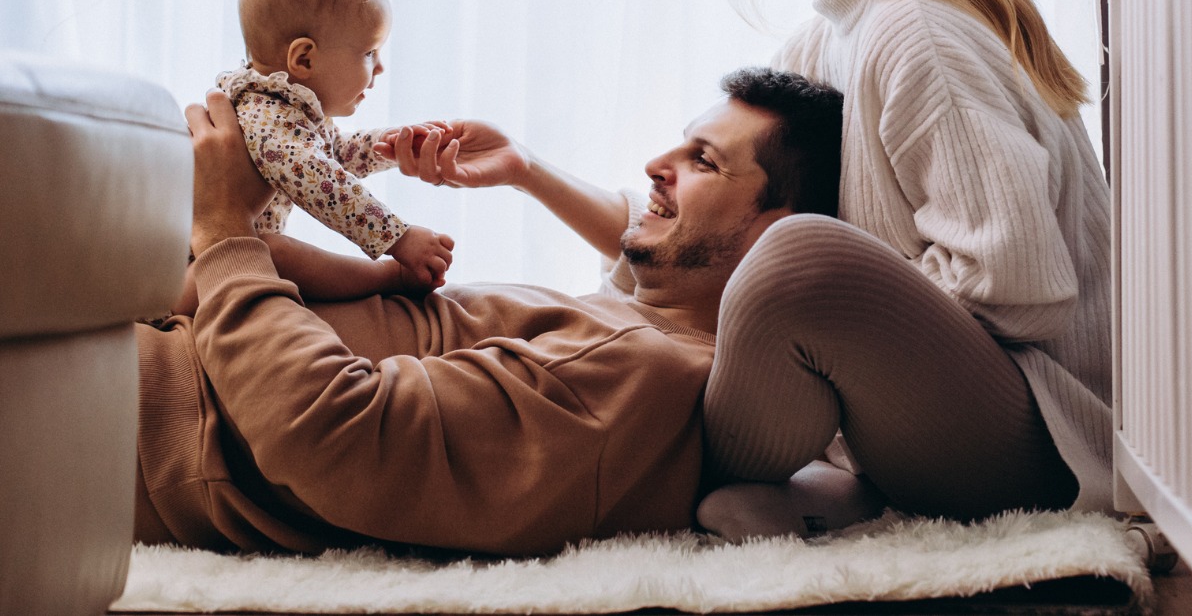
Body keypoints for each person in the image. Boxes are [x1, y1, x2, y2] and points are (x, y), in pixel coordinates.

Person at [135, 67, 844, 557]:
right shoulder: (622, 325)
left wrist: (227, 232)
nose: (657, 163)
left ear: (773, 230)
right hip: (153, 339)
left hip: (143, 410)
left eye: (705, 162)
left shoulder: (642, 367)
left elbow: (332, 434)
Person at [695, 0, 1113, 536]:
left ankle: (617, 467)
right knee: (724, 257)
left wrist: (843, 327)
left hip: (1043, 442)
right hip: (966, 419)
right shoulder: (837, 31)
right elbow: (703, 192)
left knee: (795, 255)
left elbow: (1018, 282)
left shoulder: (914, 30)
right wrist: (525, 173)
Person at [188, 0, 454, 311]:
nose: (380, 68)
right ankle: (388, 278)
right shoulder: (266, 117)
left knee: (266, 249)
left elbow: (331, 154)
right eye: (368, 53)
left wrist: (390, 145)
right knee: (269, 251)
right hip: (184, 275)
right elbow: (319, 180)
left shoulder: (285, 108)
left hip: (198, 264)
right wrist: (399, 238)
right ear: (305, 59)